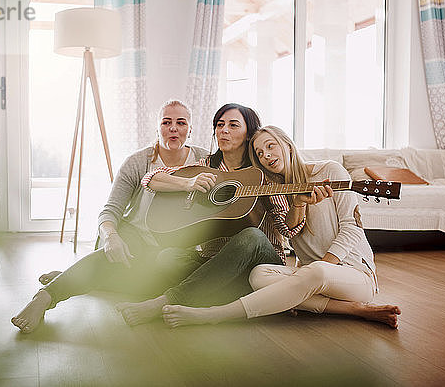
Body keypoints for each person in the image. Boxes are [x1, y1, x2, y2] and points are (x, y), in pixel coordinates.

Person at [159, 126, 401, 329]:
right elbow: (291, 233)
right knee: (259, 274)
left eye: (270, 146)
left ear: (287, 143)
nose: (266, 155)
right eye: (260, 153)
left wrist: (321, 265)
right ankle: (355, 310)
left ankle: (216, 314)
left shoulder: (329, 171)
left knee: (317, 272)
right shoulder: (276, 191)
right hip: (308, 276)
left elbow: (353, 229)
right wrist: (297, 204)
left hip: (353, 275)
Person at [116, 105, 332, 326]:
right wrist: (188, 182)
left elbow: (289, 230)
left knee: (252, 236)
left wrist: (297, 205)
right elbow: (151, 179)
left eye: (233, 125)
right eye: (219, 125)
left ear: (248, 134)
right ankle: (222, 296)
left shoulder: (261, 173)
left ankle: (165, 301)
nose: (223, 131)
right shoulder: (207, 166)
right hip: (214, 261)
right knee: (167, 257)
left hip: (258, 264)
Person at [11, 99, 210, 333]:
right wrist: (111, 236)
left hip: (171, 248)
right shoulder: (138, 162)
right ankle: (45, 297)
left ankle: (77, 276)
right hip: (134, 236)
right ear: (158, 128)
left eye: (181, 122)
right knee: (118, 261)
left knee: (153, 282)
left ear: (190, 129)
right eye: (166, 122)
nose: (173, 128)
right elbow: (110, 210)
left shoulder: (204, 161)